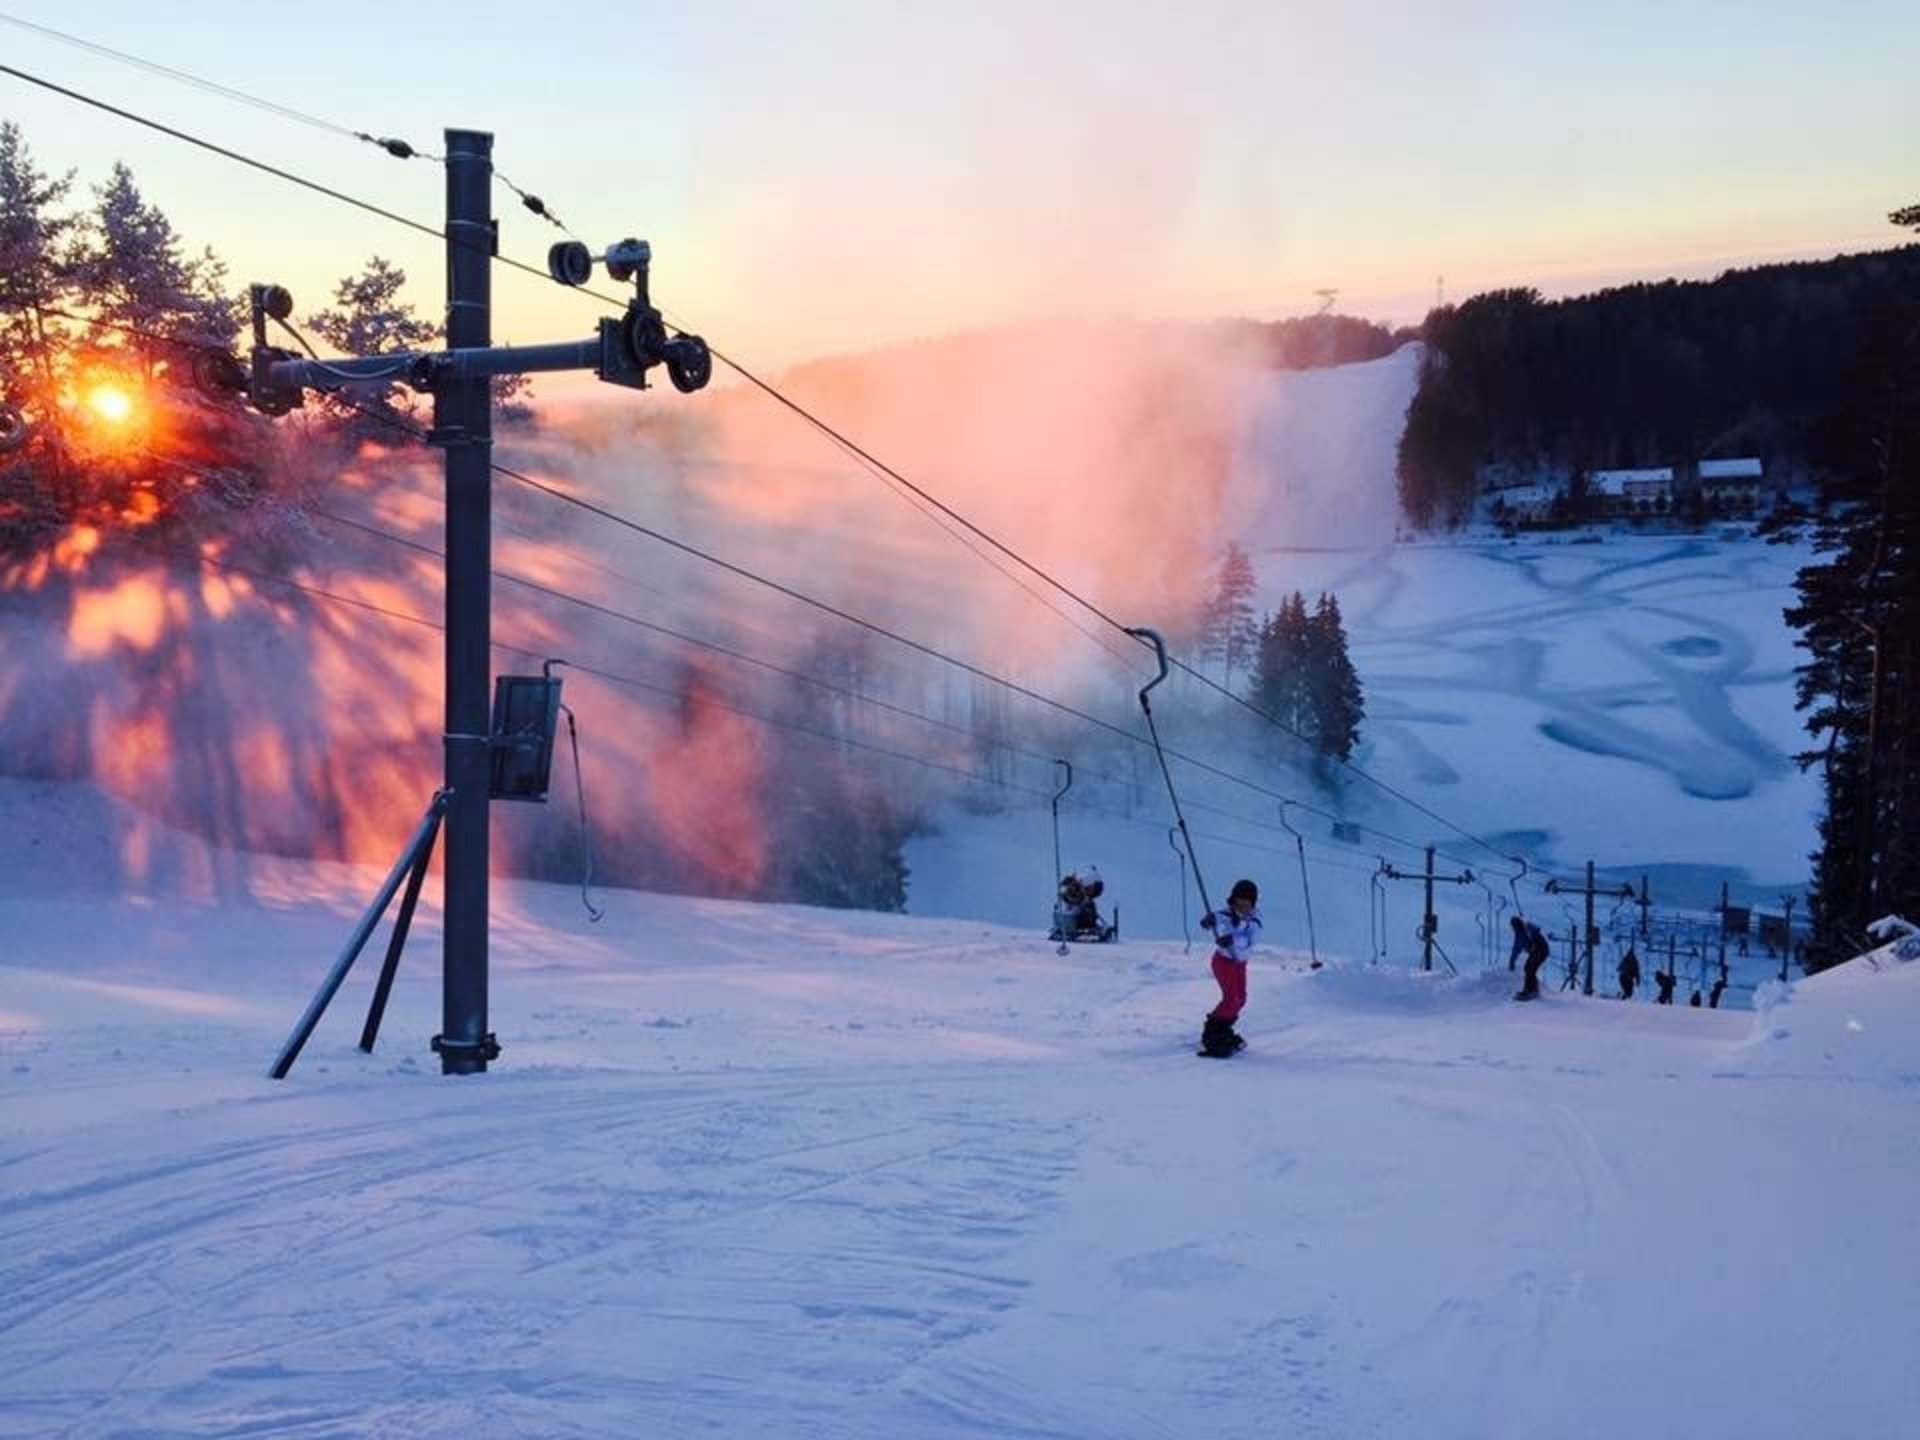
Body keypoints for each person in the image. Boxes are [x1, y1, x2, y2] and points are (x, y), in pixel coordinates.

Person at [1198, 878, 1262, 1056]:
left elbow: (1250, 938)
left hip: (1239, 963)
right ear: (1233, 899)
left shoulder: (1255, 919)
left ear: (1253, 903)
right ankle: (1211, 1034)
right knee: (1231, 998)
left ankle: (1223, 1029)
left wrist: (1232, 939)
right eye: (1239, 900)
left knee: (1241, 999)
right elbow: (1215, 921)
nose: (1242, 905)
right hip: (1224, 962)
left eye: (1247, 901)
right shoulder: (1224, 915)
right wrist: (1208, 921)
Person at [1515, 921, 1551, 1001]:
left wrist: (1531, 946)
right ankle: (1529, 990)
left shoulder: (1527, 931)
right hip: (1537, 950)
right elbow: (1518, 946)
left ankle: (1531, 991)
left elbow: (1534, 940)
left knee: (1530, 969)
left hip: (1541, 951)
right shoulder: (1524, 930)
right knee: (1527, 968)